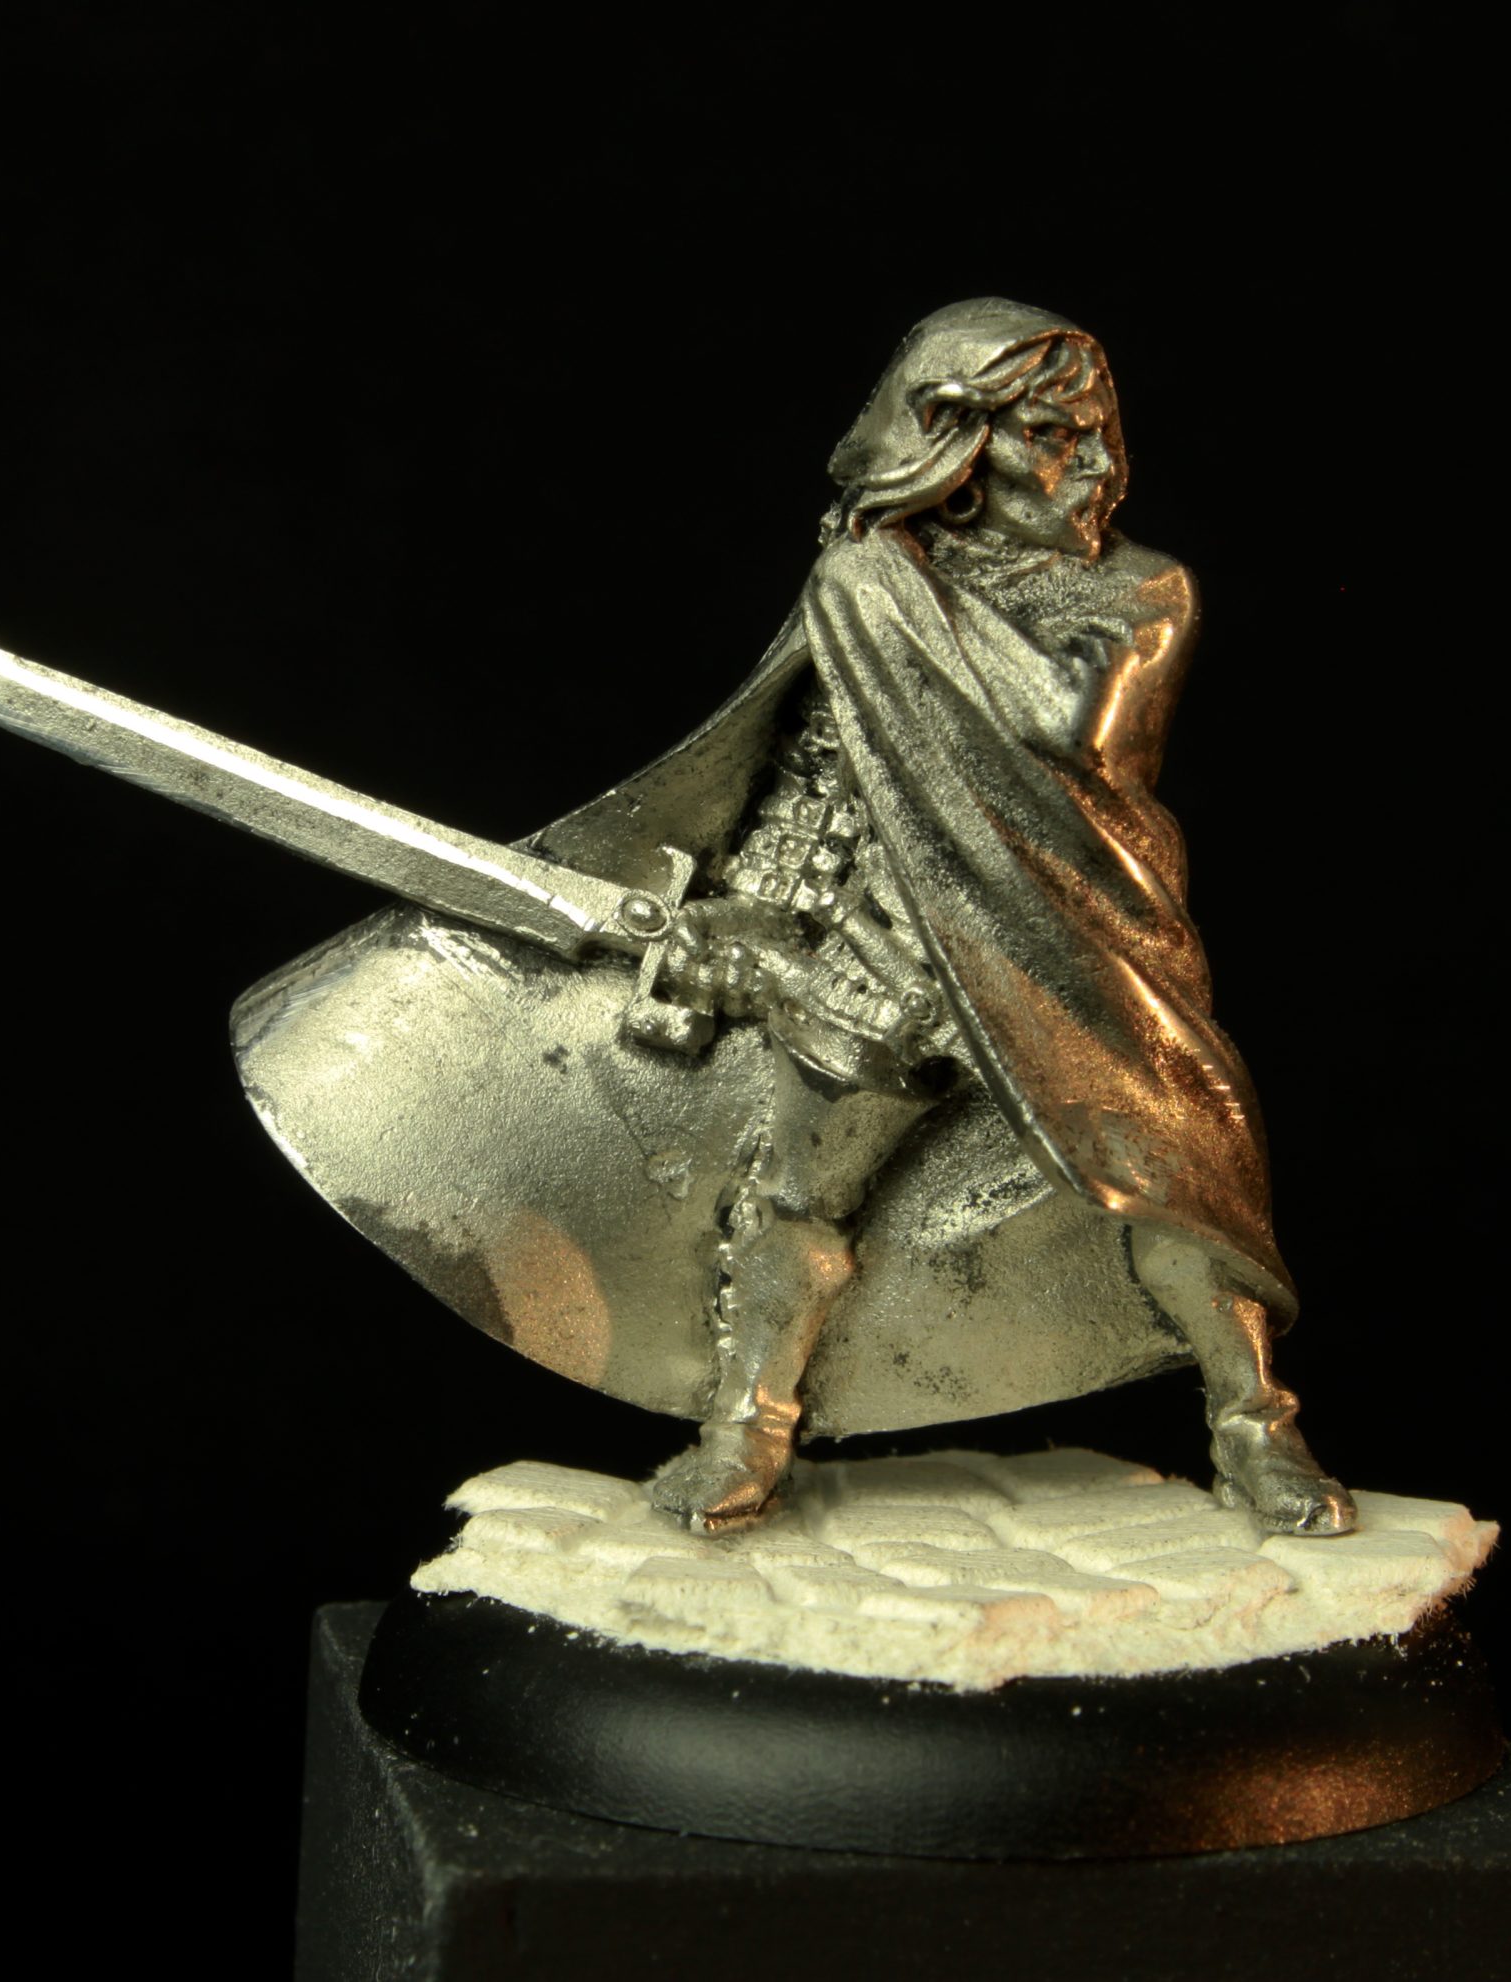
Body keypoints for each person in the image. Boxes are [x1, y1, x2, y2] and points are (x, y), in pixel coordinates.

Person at [532, 299, 1355, 1537]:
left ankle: (1255, 1426)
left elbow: (1073, 730)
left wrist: (882, 587)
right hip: (890, 939)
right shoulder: (864, 589)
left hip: (1074, 935)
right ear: (956, 453)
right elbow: (814, 769)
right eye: (1052, 435)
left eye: (1101, 430)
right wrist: (751, 916)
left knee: (1178, 1190)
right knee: (796, 1193)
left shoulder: (1135, 589)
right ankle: (746, 1429)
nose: (1099, 463)